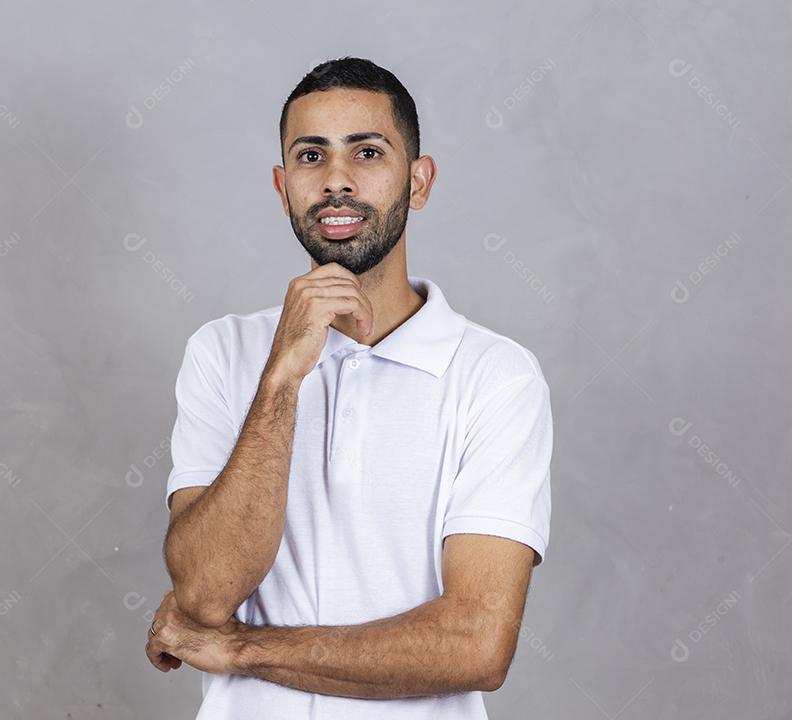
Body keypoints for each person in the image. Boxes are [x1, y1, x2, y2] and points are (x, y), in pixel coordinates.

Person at [146, 56, 553, 720]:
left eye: (367, 152)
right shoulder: (224, 353)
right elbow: (203, 594)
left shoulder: (496, 378)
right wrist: (281, 377)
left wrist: (243, 649)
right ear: (283, 186)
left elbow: (476, 644)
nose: (337, 180)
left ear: (419, 182)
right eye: (311, 156)